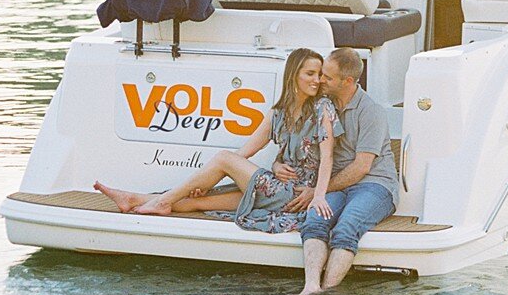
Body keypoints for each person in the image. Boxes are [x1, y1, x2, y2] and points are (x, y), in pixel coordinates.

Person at [93, 48, 337, 238]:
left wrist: (319, 196)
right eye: (310, 73)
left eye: (319, 75)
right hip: (273, 189)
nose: (317, 80)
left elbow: (328, 157)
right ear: (294, 75)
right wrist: (211, 179)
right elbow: (244, 152)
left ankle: (163, 201)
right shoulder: (279, 113)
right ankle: (133, 199)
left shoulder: (322, 108)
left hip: (294, 194)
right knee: (196, 202)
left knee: (223, 158)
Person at [288, 46, 399, 295]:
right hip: (337, 185)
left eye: (327, 76)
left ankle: (327, 294)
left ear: (347, 81)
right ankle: (311, 289)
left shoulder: (371, 112)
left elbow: (362, 167)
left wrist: (317, 190)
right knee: (314, 221)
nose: (320, 80)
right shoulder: (322, 104)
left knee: (347, 227)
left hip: (375, 185)